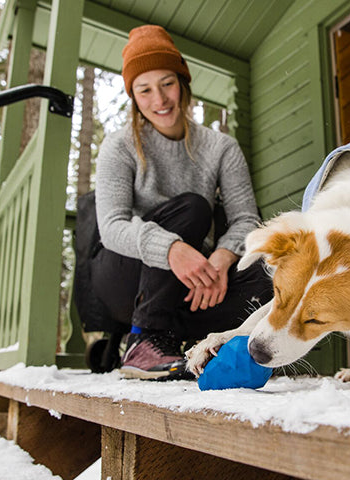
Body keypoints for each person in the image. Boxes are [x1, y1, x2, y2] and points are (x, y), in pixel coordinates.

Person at [92, 25, 273, 380]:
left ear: (183, 83)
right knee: (193, 207)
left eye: (167, 84)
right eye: (144, 90)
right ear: (134, 97)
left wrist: (222, 258)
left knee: (267, 271)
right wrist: (172, 249)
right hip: (125, 276)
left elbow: (247, 220)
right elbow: (112, 227)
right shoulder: (119, 145)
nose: (158, 100)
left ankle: (191, 346)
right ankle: (143, 340)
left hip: (194, 281)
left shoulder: (221, 148)